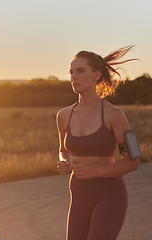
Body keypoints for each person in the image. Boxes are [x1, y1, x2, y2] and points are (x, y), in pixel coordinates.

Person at [56, 45, 140, 240]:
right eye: (71, 72)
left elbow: (133, 161)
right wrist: (65, 161)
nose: (73, 77)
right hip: (78, 191)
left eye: (80, 71)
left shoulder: (116, 115)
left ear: (96, 75)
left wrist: (95, 172)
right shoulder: (63, 115)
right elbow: (64, 150)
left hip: (109, 193)